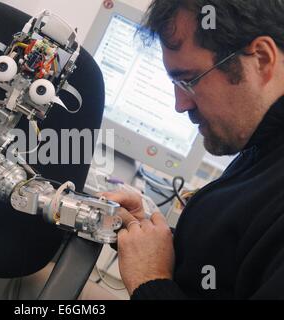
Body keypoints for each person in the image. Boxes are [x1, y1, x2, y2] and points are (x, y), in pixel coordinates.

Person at [103, 0, 284, 299]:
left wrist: (151, 282)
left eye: (188, 81)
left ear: (261, 60)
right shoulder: (262, 145)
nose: (180, 105)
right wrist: (151, 239)